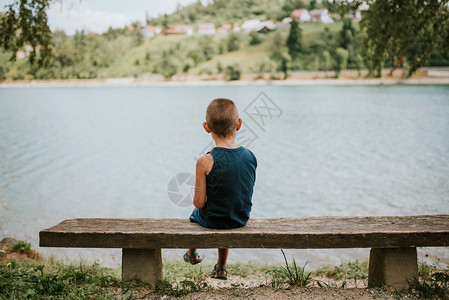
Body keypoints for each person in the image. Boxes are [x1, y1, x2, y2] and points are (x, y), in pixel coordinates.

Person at [184, 98, 257, 280]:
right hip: (240, 218)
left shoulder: (205, 161)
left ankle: (192, 253)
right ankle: (222, 267)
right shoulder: (250, 156)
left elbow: (199, 203)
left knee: (196, 213)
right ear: (238, 124)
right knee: (226, 203)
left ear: (206, 127)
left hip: (214, 220)